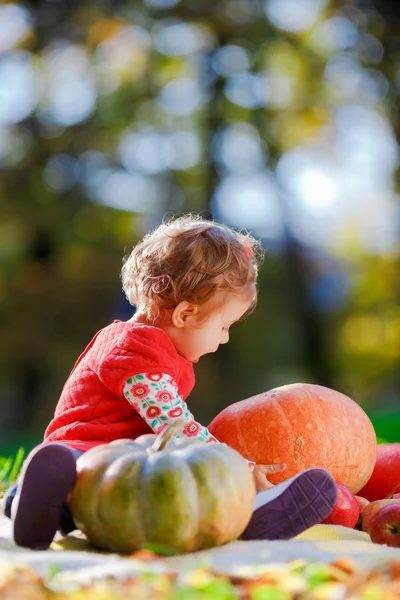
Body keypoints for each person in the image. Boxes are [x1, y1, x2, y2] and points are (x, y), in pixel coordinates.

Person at [4, 215, 337, 550]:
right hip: (83, 457)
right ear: (185, 315)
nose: (225, 338)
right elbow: (175, 426)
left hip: (132, 468)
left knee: (163, 499)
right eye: (225, 326)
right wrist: (236, 469)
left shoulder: (157, 351)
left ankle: (247, 514)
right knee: (80, 490)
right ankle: (34, 502)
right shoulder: (134, 350)